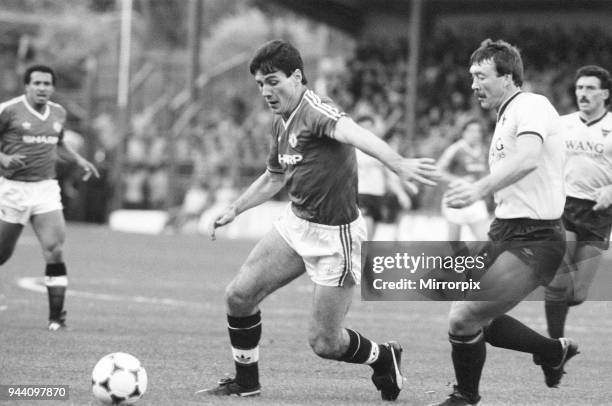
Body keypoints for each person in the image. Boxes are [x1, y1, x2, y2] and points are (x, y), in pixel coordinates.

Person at [199, 40, 439, 400]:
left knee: (325, 343)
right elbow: (274, 177)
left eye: (273, 81)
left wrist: (397, 162)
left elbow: (354, 133)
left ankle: (383, 356)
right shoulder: (282, 122)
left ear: (297, 77)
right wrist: (235, 208)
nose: (266, 91)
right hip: (296, 225)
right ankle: (246, 382)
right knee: (238, 296)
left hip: (335, 238)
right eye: (260, 84)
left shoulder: (316, 110)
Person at [433, 39, 577, 406]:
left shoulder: (531, 104)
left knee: (463, 318)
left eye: (480, 76)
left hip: (536, 238)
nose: (473, 84)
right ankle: (551, 351)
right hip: (505, 231)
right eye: (471, 76)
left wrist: (478, 188)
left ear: (509, 77)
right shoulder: (505, 115)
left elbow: (529, 158)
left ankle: (466, 396)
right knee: (474, 317)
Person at [0, 65, 99, 331]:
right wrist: (4, 158)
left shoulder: (58, 112)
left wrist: (79, 160)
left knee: (54, 250)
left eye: (47, 84)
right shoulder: (8, 110)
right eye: (37, 83)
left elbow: (58, 141)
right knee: (1, 254)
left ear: (52, 88)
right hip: (12, 190)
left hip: (45, 189)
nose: (42, 88)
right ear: (27, 86)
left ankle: (57, 318)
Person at [544, 65, 612, 341]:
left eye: (590, 88)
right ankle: (554, 350)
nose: (583, 94)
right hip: (564, 207)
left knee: (578, 293)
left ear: (605, 94)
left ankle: (556, 303)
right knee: (558, 280)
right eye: (580, 88)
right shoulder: (562, 124)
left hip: (599, 213)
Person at [355, 113, 412, 240]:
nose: (366, 130)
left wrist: (401, 194)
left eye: (369, 127)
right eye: (362, 127)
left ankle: (362, 258)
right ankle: (360, 259)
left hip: (378, 196)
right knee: (366, 233)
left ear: (374, 128)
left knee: (371, 236)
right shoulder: (351, 149)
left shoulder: (381, 149)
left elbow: (389, 176)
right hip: (360, 195)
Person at [437, 118, 491, 241]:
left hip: (476, 199)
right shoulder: (456, 149)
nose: (475, 134)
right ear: (463, 132)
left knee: (485, 240)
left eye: (478, 131)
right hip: (455, 198)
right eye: (471, 131)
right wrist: (459, 180)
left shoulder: (484, 150)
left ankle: (475, 259)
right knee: (454, 244)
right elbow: (438, 171)